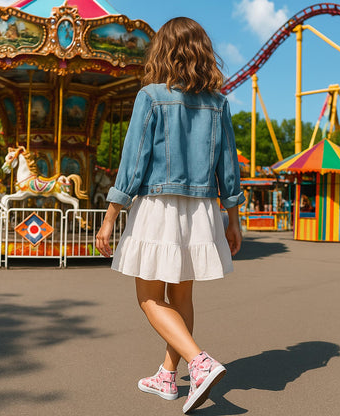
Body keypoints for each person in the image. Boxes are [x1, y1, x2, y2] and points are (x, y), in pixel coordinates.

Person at [95, 17, 245, 414]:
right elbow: (228, 164)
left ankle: (199, 362)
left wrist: (112, 214)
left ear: (162, 51)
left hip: (159, 204)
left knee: (148, 297)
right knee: (181, 296)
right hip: (201, 208)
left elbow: (133, 160)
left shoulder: (151, 96)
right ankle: (166, 376)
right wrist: (233, 217)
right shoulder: (218, 102)